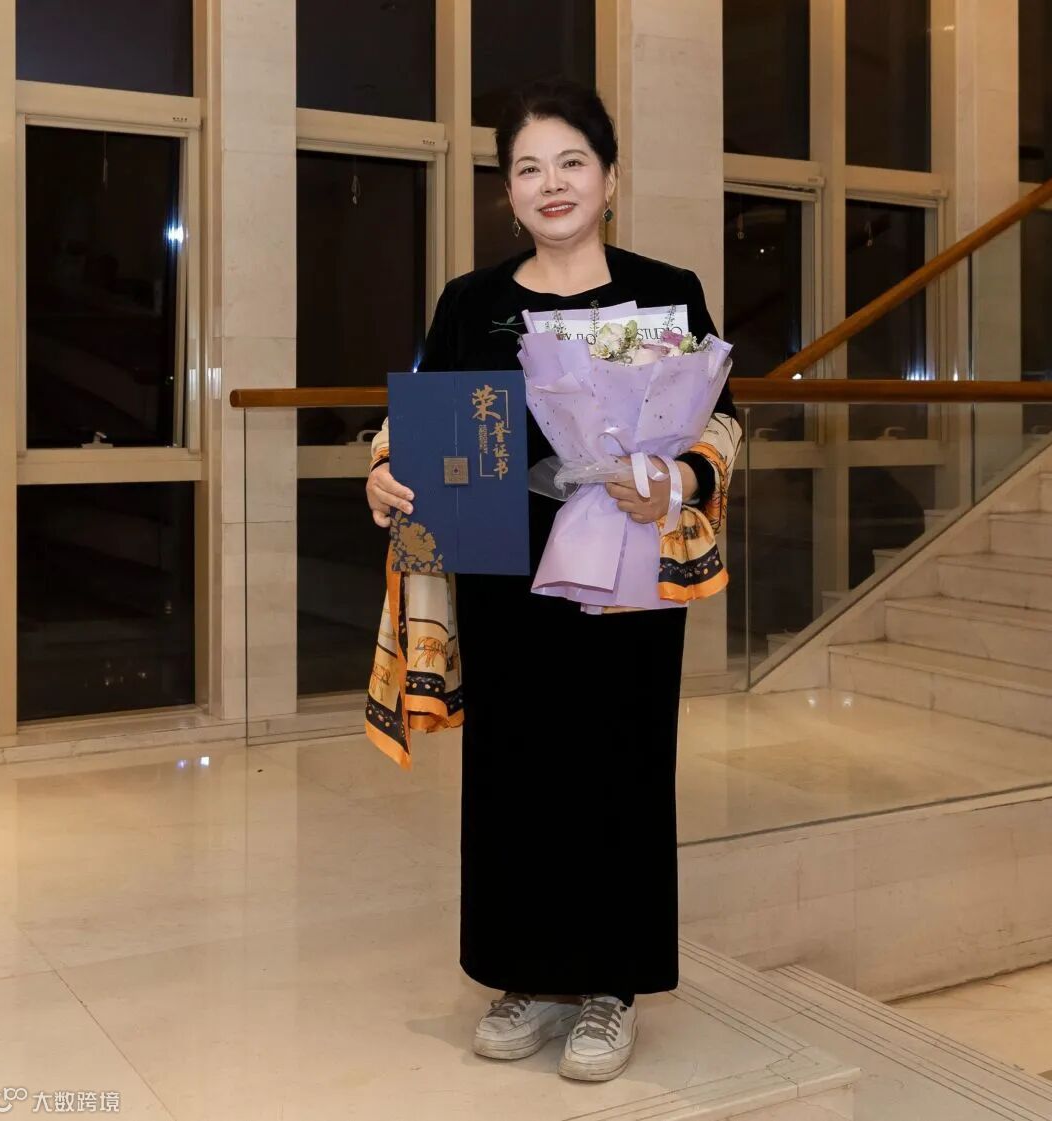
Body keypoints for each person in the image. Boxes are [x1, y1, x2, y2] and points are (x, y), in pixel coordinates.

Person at [364, 78, 741, 1083]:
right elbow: (417, 419)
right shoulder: (473, 302)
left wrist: (680, 479)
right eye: (528, 168)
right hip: (503, 567)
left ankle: (612, 986)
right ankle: (523, 973)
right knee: (514, 769)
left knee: (622, 760)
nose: (552, 183)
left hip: (625, 565)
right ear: (508, 192)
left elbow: (722, 419)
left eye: (572, 161)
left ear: (610, 177)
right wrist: (383, 468)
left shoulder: (663, 293)